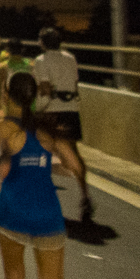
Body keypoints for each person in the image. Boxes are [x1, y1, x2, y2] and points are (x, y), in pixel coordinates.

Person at [0, 72, 103, 279]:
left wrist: (5, 157)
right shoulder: (48, 130)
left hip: (12, 215)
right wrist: (49, 168)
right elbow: (74, 166)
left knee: (15, 278)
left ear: (5, 93)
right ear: (35, 95)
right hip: (48, 216)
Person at [32, 27, 92, 222]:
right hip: (71, 110)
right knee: (73, 152)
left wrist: (37, 111)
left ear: (42, 42)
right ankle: (84, 194)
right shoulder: (70, 57)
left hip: (51, 112)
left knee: (43, 153)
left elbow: (45, 89)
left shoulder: (41, 61)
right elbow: (74, 84)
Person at [0, 38, 32, 113]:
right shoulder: (31, 65)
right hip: (28, 106)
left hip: (9, 107)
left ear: (8, 50)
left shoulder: (2, 66)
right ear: (22, 49)